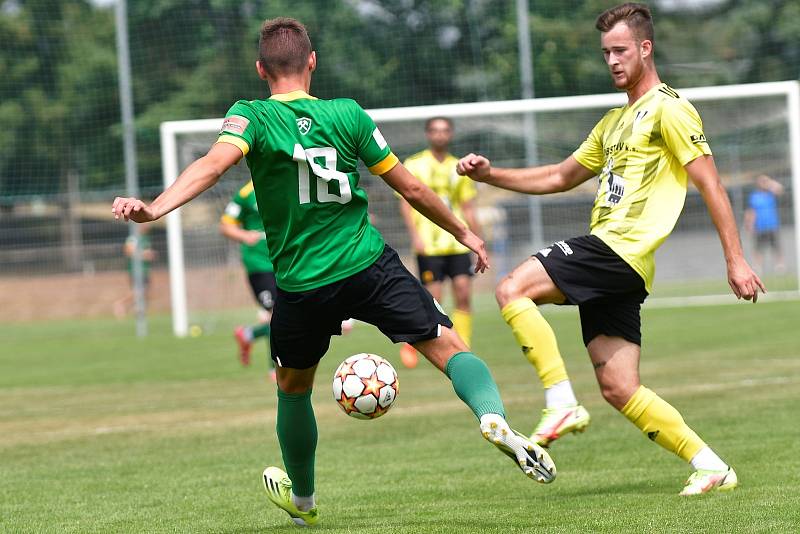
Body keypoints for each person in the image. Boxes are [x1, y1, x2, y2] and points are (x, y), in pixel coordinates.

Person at [112, 17, 555, 527]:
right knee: (449, 346)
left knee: (293, 387)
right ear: (313, 62)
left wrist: (154, 209)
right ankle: (492, 416)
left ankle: (302, 501)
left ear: (261, 69)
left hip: (302, 285)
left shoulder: (250, 117)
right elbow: (410, 188)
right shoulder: (349, 115)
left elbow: (212, 166)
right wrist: (465, 233)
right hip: (367, 264)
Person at [457, 2, 764, 496]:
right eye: (606, 53)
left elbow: (711, 184)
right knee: (620, 386)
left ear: (645, 48)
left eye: (621, 50)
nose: (613, 61)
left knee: (512, 288)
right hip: (622, 264)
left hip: (617, 249)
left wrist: (735, 258)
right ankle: (712, 466)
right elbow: (560, 176)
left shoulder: (670, 108)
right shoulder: (613, 121)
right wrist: (491, 175)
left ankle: (560, 402)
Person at [397, 117, 481, 369]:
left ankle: (462, 348)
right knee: (433, 300)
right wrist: (415, 236)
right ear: (428, 134)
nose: (440, 135)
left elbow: (467, 207)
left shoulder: (460, 168)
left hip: (456, 244)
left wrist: (477, 238)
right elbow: (406, 202)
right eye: (435, 131)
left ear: (451, 134)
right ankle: (412, 344)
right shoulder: (414, 164)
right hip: (430, 245)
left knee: (464, 294)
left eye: (445, 131)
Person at [219, 180, 278, 381]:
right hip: (259, 265)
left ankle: (249, 335)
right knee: (277, 315)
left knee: (291, 314)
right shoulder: (244, 194)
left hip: (285, 261)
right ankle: (276, 370)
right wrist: (244, 235)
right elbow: (226, 225)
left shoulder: (287, 182)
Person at [113, 223, 156, 318]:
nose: (148, 226)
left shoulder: (146, 238)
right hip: (135, 270)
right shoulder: (134, 238)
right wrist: (144, 255)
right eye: (145, 224)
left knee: (145, 292)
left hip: (145, 269)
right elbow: (128, 251)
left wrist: (150, 255)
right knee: (138, 291)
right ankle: (120, 303)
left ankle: (138, 309)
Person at [745, 174, 785, 273]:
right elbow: (751, 211)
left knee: (776, 247)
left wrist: (769, 182)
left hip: (772, 225)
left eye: (765, 181)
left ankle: (780, 265)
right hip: (759, 227)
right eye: (761, 181)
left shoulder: (771, 193)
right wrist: (749, 224)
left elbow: (780, 189)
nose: (763, 183)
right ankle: (758, 267)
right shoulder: (754, 196)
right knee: (758, 248)